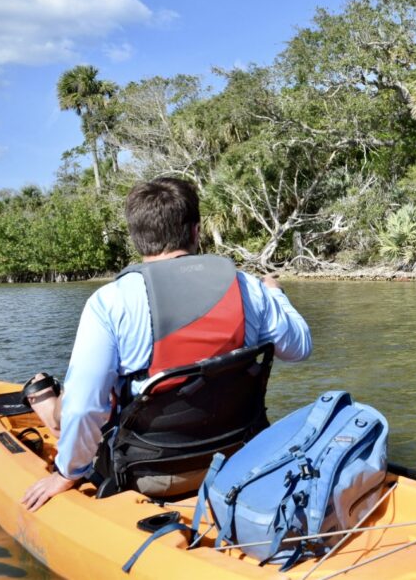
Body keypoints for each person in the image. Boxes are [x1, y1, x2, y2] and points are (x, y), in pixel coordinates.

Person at [21, 177, 311, 511]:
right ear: (196, 232)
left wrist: (67, 473)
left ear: (136, 238)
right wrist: (277, 295)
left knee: (76, 401)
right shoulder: (250, 287)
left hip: (152, 474)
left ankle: (45, 400)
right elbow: (299, 347)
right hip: (239, 456)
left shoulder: (109, 302)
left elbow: (85, 408)